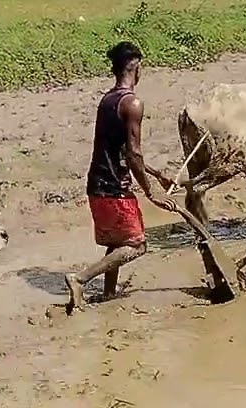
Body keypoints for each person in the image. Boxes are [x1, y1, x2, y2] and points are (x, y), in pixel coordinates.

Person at [64, 41, 176, 314]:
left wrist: (156, 173)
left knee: (117, 242)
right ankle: (80, 278)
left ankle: (109, 294)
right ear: (136, 67)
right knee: (137, 245)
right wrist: (152, 193)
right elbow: (134, 154)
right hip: (114, 186)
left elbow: (123, 150)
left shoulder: (108, 100)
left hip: (97, 184)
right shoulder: (132, 103)